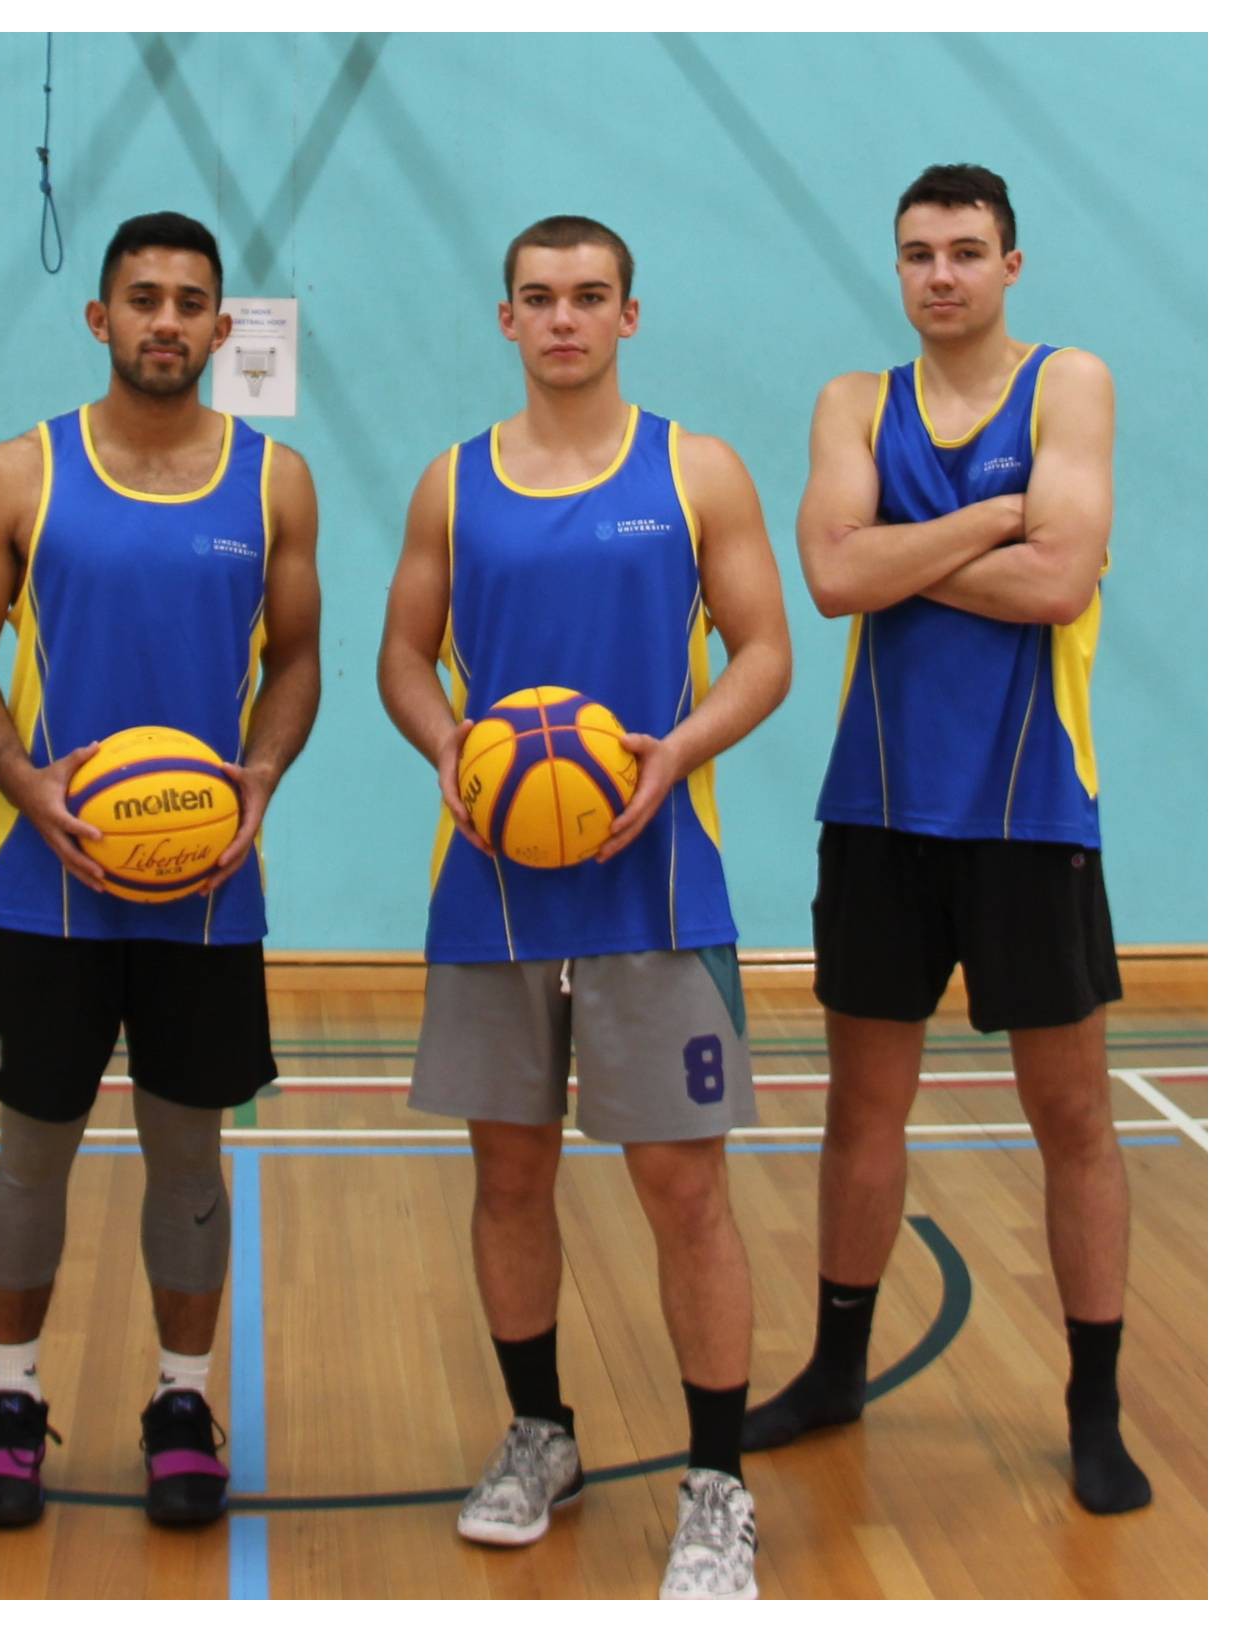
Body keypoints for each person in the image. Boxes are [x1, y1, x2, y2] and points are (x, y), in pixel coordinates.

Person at [373, 216, 792, 1599]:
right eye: (540, 298)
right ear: (507, 319)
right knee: (509, 1175)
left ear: (628, 315)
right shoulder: (452, 481)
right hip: (493, 886)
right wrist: (445, 744)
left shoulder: (696, 469)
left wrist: (678, 752)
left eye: (589, 296)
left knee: (684, 1188)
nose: (564, 318)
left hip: (655, 881)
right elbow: (402, 655)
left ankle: (717, 1487)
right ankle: (538, 1434)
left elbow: (765, 651)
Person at [753, 163, 1144, 1515]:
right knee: (863, 1112)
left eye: (967, 252)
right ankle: (835, 1371)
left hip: (1032, 812)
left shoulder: (1069, 384)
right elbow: (830, 576)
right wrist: (986, 520)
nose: (941, 275)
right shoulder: (855, 403)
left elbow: (1062, 581)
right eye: (919, 253)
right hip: (877, 808)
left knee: (1072, 1117)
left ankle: (1095, 1411)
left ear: (1010, 266)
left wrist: (903, 549)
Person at [0, 211, 320, 1530]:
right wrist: (23, 781)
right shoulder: (15, 474)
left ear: (222, 326)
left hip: (206, 888)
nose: (166, 320)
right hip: (47, 886)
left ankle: (180, 1404)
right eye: (142, 298)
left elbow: (299, 660)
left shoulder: (275, 482)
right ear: (100, 319)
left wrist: (262, 773)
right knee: (30, 1154)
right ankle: (11, 1402)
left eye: (190, 301)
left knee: (190, 1156)